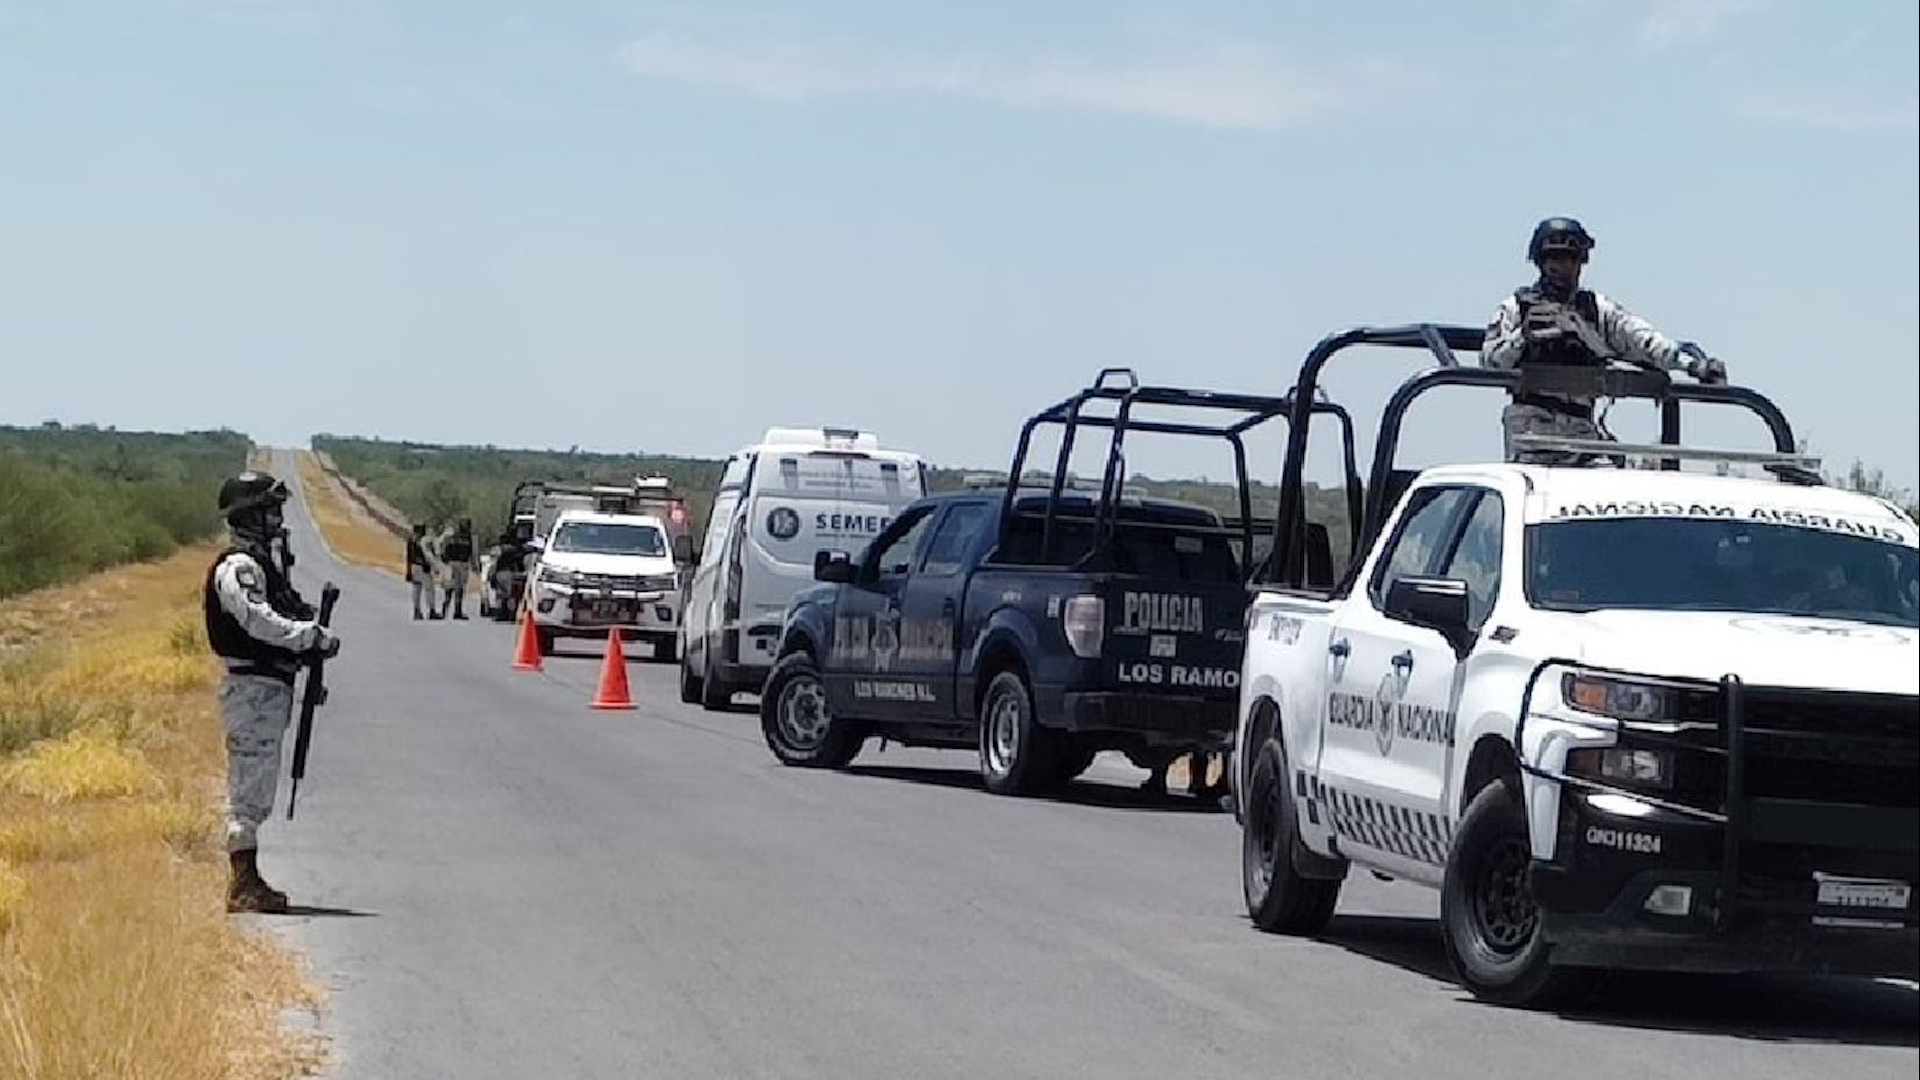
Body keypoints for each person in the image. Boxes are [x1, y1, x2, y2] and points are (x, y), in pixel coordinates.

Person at [1482, 217, 1728, 464]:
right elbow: (1489, 364)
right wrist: (1522, 339)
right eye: (1555, 259)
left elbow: (1644, 340)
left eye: (1571, 258)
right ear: (1541, 262)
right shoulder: (1515, 308)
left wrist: (1694, 365)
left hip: (1582, 429)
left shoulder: (1596, 311)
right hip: (1530, 430)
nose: (1563, 267)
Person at [204, 470, 340, 914]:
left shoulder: (264, 565)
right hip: (252, 688)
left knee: (259, 782)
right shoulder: (239, 568)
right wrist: (307, 637)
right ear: (250, 515)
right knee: (250, 784)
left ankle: (248, 877)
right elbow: (257, 621)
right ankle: (243, 884)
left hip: (268, 687)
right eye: (270, 510)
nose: (278, 519)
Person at [438, 518, 477, 620]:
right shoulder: (464, 538)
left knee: (452, 588)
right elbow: (471, 553)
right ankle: (455, 611)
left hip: (455, 564)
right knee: (456, 589)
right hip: (460, 564)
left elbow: (444, 550)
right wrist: (474, 565)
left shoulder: (454, 537)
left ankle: (447, 611)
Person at [405, 523, 439, 620]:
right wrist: (432, 566)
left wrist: (408, 571)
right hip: (424, 568)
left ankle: (417, 611)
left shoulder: (411, 540)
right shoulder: (424, 540)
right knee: (429, 589)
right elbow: (427, 555)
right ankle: (431, 611)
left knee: (416, 590)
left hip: (415, 567)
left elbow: (409, 556)